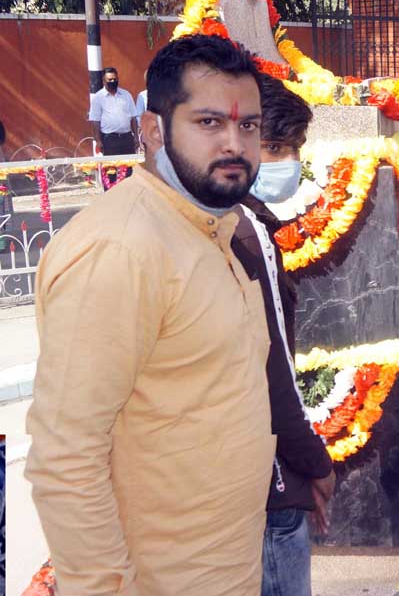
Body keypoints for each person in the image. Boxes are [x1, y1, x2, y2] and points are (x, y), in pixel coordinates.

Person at [27, 34, 274, 596]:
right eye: (209, 124)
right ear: (153, 131)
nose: (235, 144)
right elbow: (66, 461)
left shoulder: (211, 226)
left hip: (227, 567)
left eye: (249, 126)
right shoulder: (123, 248)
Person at [215, 74, 334, 596]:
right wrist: (310, 462)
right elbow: (271, 364)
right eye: (276, 146)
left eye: (295, 148)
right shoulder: (244, 230)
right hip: (263, 477)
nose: (288, 161)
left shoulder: (220, 219)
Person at [88, 66, 139, 185]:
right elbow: (95, 121)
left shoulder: (126, 95)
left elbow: (133, 117)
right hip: (109, 140)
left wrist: (136, 136)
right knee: (111, 171)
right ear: (103, 81)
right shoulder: (98, 98)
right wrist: (98, 141)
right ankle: (111, 196)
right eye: (109, 80)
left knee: (129, 170)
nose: (112, 82)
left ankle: (129, 196)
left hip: (127, 138)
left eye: (114, 79)